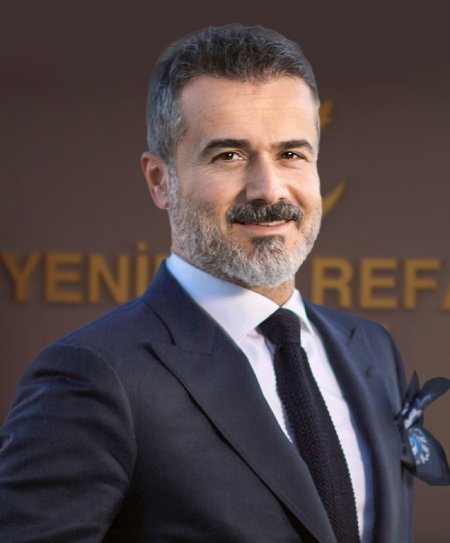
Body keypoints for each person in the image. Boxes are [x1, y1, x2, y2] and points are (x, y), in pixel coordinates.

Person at [0, 24, 417, 543]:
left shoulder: (371, 349)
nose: (268, 189)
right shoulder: (93, 376)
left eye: (291, 154)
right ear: (160, 181)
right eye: (229, 156)